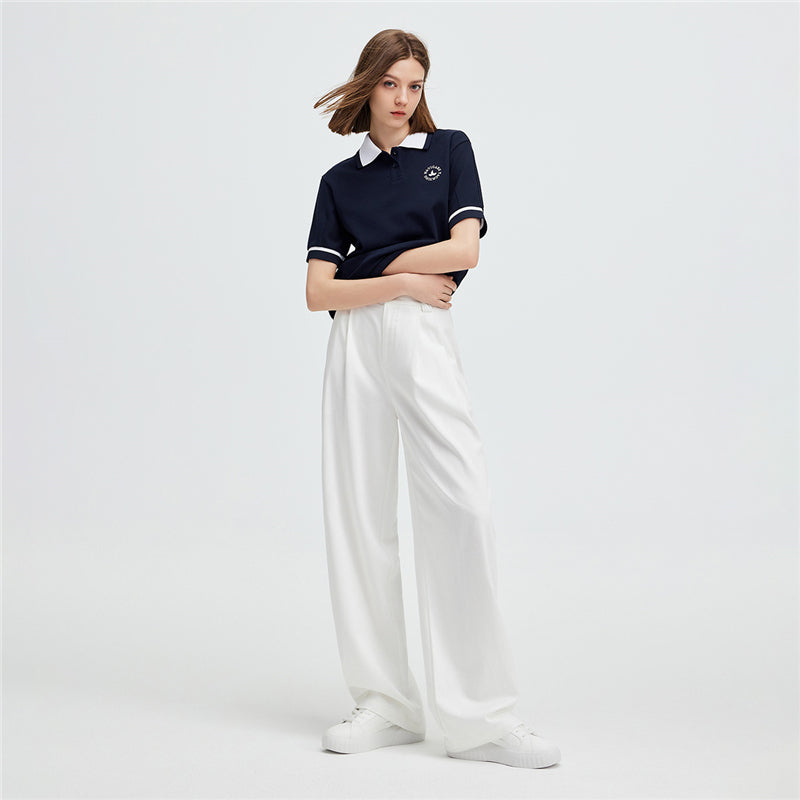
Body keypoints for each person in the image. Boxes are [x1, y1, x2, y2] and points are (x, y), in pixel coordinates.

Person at [304, 29, 562, 770]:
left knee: (461, 504)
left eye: (414, 84)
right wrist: (404, 279)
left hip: (421, 335)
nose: (402, 98)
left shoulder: (449, 150)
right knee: (359, 517)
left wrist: (375, 267)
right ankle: (385, 704)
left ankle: (481, 719)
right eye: (390, 83)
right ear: (368, 86)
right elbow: (318, 293)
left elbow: (465, 250)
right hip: (355, 342)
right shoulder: (338, 181)